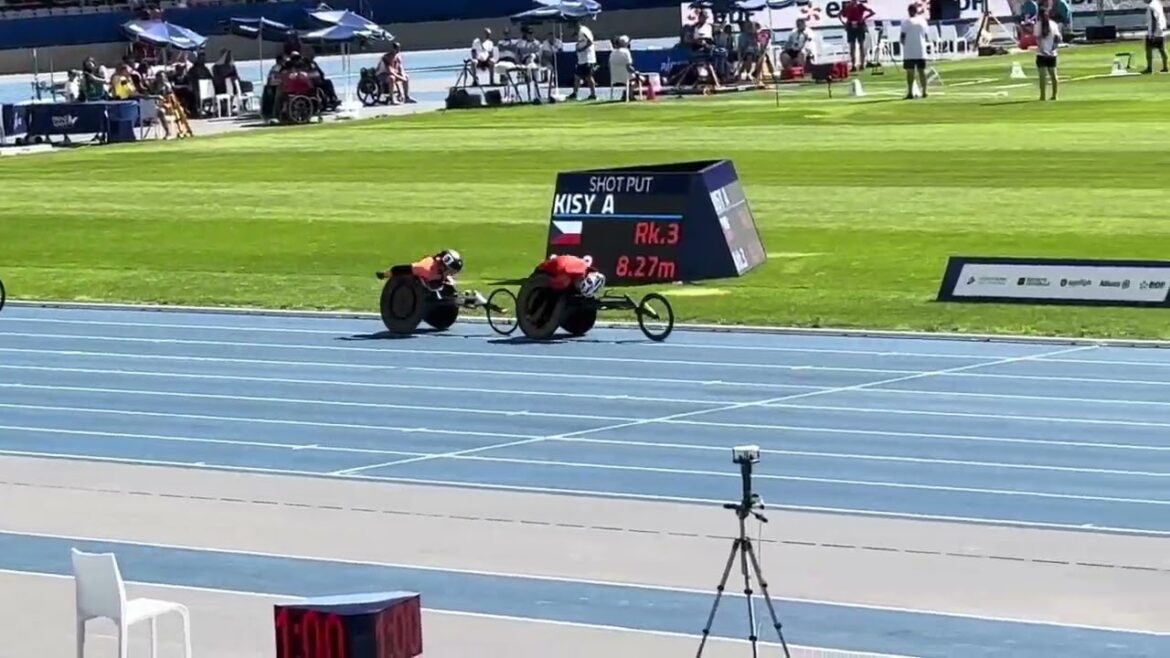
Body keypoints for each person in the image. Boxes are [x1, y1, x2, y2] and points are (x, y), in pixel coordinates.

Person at [378, 250, 464, 288]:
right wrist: (384, 275)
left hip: (437, 276)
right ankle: (384, 275)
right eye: (451, 271)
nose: (453, 273)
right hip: (424, 277)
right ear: (444, 266)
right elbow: (400, 269)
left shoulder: (442, 269)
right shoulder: (425, 268)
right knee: (398, 269)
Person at [534, 254, 606, 298]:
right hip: (543, 271)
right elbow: (551, 286)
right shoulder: (565, 279)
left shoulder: (587, 269)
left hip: (562, 266)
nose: (578, 289)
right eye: (579, 288)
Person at [900, 3, 930, 100]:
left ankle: (910, 92)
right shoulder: (923, 21)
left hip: (909, 50)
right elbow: (926, 35)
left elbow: (902, 37)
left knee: (910, 72)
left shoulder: (906, 22)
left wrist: (903, 44)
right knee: (922, 71)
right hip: (920, 49)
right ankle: (924, 91)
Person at [1033, 7, 1061, 100]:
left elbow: (1038, 40)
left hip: (1041, 54)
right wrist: (1053, 48)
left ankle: (1042, 96)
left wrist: (1043, 50)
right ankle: (1054, 95)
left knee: (1042, 76)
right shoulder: (1053, 24)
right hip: (1052, 53)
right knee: (1053, 75)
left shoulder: (1038, 25)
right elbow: (1058, 39)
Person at [840, 0, 875, 72]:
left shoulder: (860, 6)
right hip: (851, 26)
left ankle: (861, 64)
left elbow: (872, 12)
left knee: (861, 46)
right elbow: (839, 15)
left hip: (859, 26)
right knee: (852, 47)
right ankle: (854, 65)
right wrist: (844, 23)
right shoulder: (848, 6)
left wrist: (864, 18)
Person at [568, 20, 597, 100]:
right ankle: (574, 93)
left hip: (588, 58)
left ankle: (593, 94)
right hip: (581, 59)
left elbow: (590, 42)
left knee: (589, 77)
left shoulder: (583, 31)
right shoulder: (578, 33)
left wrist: (582, 49)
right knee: (577, 76)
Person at [1144, 0, 1168, 74]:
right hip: (1160, 30)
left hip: (1154, 31)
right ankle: (1165, 67)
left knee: (1148, 49)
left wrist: (1152, 33)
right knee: (1162, 50)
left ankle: (1149, 68)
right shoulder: (1157, 3)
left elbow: (1153, 20)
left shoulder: (1151, 6)